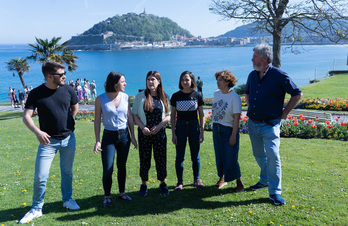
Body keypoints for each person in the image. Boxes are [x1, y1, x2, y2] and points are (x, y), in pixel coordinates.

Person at [20, 61, 80, 224]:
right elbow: (26, 116)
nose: (64, 76)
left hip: (69, 139)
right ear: (49, 76)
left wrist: (69, 122)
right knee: (40, 176)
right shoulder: (36, 93)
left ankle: (67, 199)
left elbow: (75, 107)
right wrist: (37, 132)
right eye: (61, 74)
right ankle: (36, 208)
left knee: (67, 172)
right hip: (48, 142)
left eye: (64, 73)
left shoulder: (68, 89)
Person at [244, 44, 302, 206]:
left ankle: (275, 192)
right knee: (259, 155)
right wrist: (250, 107)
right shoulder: (252, 75)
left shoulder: (278, 75)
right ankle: (264, 180)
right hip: (253, 124)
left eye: (254, 56)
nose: (252, 59)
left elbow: (297, 94)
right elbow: (247, 92)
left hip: (270, 124)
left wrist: (284, 114)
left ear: (264, 58)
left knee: (273, 157)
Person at [93, 71, 137, 206]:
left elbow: (129, 118)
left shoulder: (125, 97)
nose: (125, 83)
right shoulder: (100, 99)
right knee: (108, 168)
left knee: (121, 166)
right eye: (122, 81)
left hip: (124, 135)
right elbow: (97, 121)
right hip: (109, 136)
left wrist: (133, 136)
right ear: (115, 83)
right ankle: (107, 196)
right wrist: (97, 140)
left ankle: (122, 193)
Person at [132, 71, 171, 196]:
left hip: (159, 134)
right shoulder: (140, 96)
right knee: (144, 159)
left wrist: (159, 126)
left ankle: (162, 182)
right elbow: (135, 114)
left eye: (153, 79)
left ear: (159, 81)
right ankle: (143, 184)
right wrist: (143, 127)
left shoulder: (164, 96)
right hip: (144, 134)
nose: (150, 82)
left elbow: (168, 115)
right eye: (148, 79)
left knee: (160, 158)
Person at [171, 71, 205, 191]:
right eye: (183, 80)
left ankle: (196, 179)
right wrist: (173, 133)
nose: (185, 82)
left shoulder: (197, 95)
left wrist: (202, 131)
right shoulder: (175, 96)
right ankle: (179, 182)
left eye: (187, 80)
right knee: (179, 156)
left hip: (193, 127)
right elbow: (173, 115)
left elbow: (201, 115)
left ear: (192, 81)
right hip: (180, 127)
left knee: (195, 156)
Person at [212, 70, 244, 191]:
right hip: (216, 128)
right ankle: (222, 178)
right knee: (219, 156)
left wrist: (233, 135)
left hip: (228, 130)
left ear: (227, 81)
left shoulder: (234, 97)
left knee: (231, 157)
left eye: (220, 80)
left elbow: (237, 118)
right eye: (217, 80)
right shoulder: (216, 94)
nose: (218, 82)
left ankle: (239, 181)